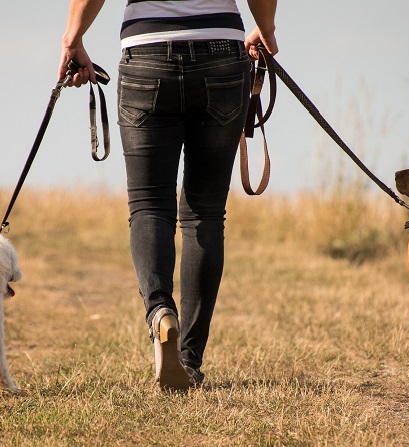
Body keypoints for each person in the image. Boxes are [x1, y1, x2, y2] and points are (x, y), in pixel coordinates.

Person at [59, 0, 278, 391]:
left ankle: (161, 311)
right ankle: (189, 361)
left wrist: (72, 37)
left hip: (147, 52)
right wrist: (267, 27)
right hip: (222, 53)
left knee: (149, 205)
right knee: (205, 213)